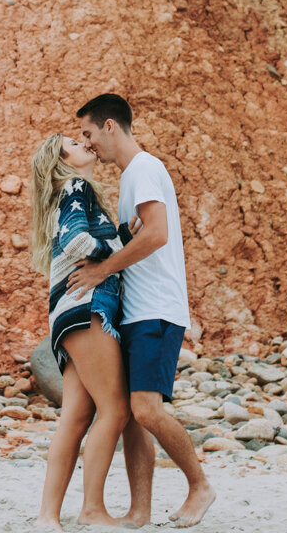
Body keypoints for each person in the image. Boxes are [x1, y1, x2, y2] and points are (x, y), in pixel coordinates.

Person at [69, 94, 216, 529]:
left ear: (110, 126)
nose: (88, 143)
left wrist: (101, 272)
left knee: (147, 410)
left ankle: (200, 485)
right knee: (134, 420)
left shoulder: (145, 168)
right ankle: (139, 512)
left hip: (156, 309)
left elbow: (157, 234)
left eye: (89, 133)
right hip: (135, 311)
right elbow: (138, 234)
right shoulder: (132, 177)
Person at [29, 133, 131, 529]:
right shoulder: (75, 186)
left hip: (70, 311)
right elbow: (77, 242)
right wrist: (124, 241)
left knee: (75, 416)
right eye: (74, 142)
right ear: (61, 160)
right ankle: (92, 510)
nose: (85, 144)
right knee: (115, 409)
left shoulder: (70, 192)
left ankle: (48, 517)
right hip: (88, 307)